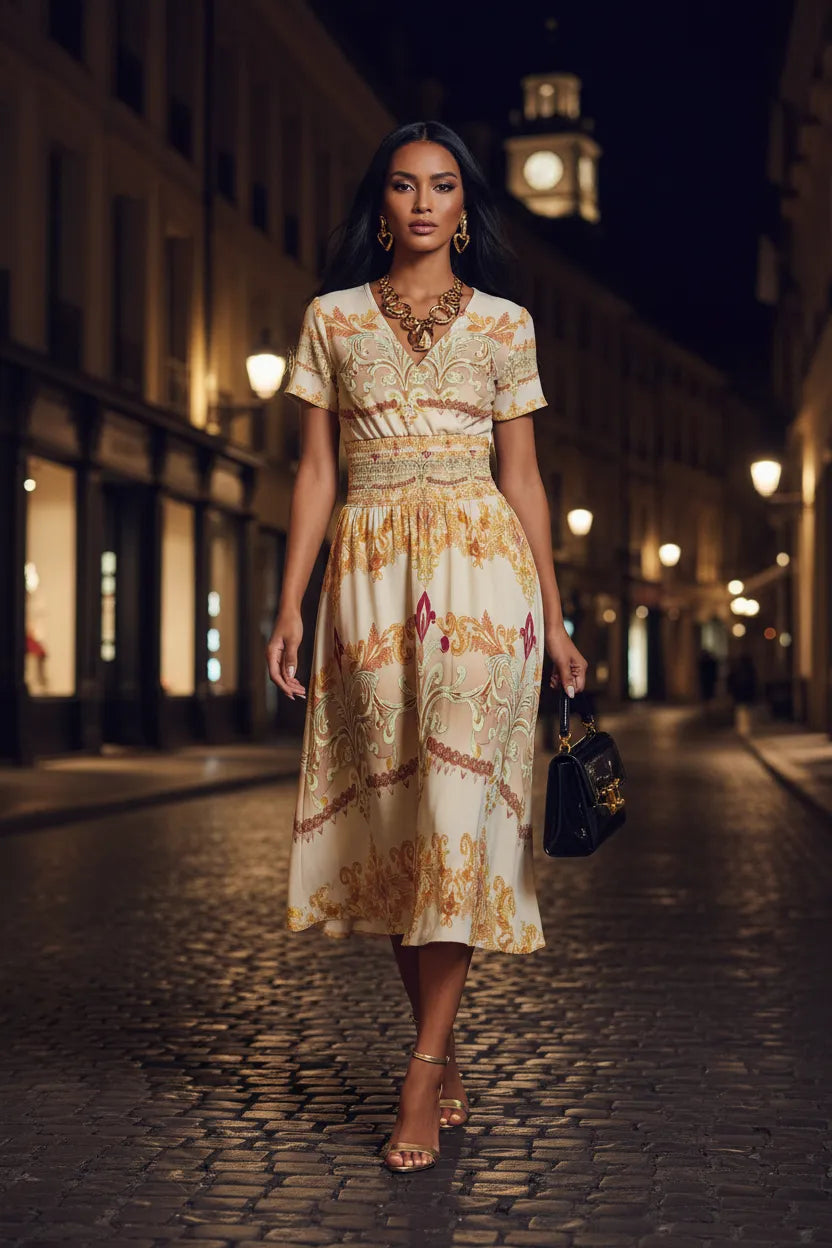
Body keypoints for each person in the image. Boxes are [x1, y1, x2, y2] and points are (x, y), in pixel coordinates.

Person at [266, 120, 588, 1175]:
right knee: (401, 823)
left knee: (455, 816)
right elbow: (316, 473)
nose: (421, 203)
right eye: (404, 186)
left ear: (462, 209)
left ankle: (420, 1069)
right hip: (365, 576)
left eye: (442, 187)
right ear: (381, 205)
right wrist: (290, 604)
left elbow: (524, 477)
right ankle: (439, 1048)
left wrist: (555, 614)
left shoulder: (504, 325)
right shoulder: (331, 319)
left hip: (481, 576)